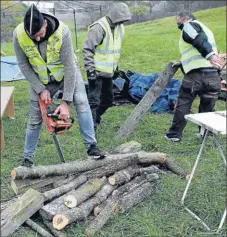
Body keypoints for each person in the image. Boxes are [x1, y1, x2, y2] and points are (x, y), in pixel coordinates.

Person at [13, 4, 105, 167]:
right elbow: (23, 64)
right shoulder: (18, 34)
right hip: (39, 77)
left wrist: (66, 102)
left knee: (82, 102)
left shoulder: (62, 32)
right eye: (33, 36)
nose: (37, 39)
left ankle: (91, 147)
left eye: (39, 34)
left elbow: (70, 67)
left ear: (45, 24)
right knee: (34, 119)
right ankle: (27, 160)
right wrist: (40, 89)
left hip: (65, 73)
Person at [165, 11, 223, 142]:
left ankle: (174, 135)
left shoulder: (189, 25)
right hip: (213, 75)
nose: (178, 25)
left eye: (178, 22)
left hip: (196, 75)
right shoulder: (207, 29)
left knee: (184, 103)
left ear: (185, 18)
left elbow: (198, 39)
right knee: (207, 107)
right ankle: (205, 134)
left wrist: (210, 55)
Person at [83, 2, 131, 130]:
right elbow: (87, 49)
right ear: (114, 15)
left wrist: (116, 69)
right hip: (96, 72)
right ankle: (90, 127)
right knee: (93, 101)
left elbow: (114, 50)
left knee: (108, 100)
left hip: (108, 72)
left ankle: (96, 117)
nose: (123, 22)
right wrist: (90, 71)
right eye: (121, 19)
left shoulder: (119, 27)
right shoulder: (99, 27)